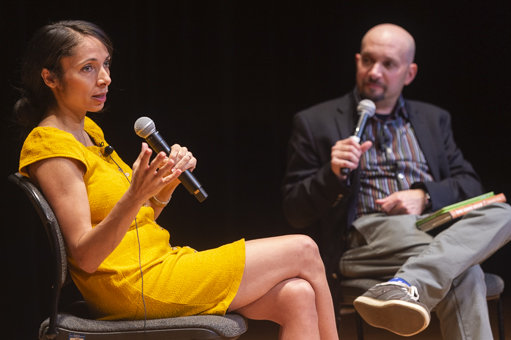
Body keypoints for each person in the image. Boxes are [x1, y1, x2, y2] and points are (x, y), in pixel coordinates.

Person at [15, 20, 339, 340]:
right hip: (131, 285)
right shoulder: (51, 145)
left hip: (158, 263)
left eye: (106, 65)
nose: (105, 79)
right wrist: (134, 195)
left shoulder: (89, 133)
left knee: (296, 295)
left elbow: (132, 228)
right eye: (88, 68)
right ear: (51, 77)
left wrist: (158, 192)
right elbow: (86, 256)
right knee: (304, 249)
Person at [282, 23, 511, 339]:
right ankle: (412, 280)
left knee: (505, 213)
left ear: (410, 73)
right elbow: (294, 210)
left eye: (388, 64)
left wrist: (424, 195)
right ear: (357, 61)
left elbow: (470, 185)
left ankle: (406, 284)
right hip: (366, 236)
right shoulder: (316, 121)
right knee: (464, 270)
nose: (375, 72)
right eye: (367, 61)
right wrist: (331, 175)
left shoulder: (433, 119)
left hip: (431, 226)